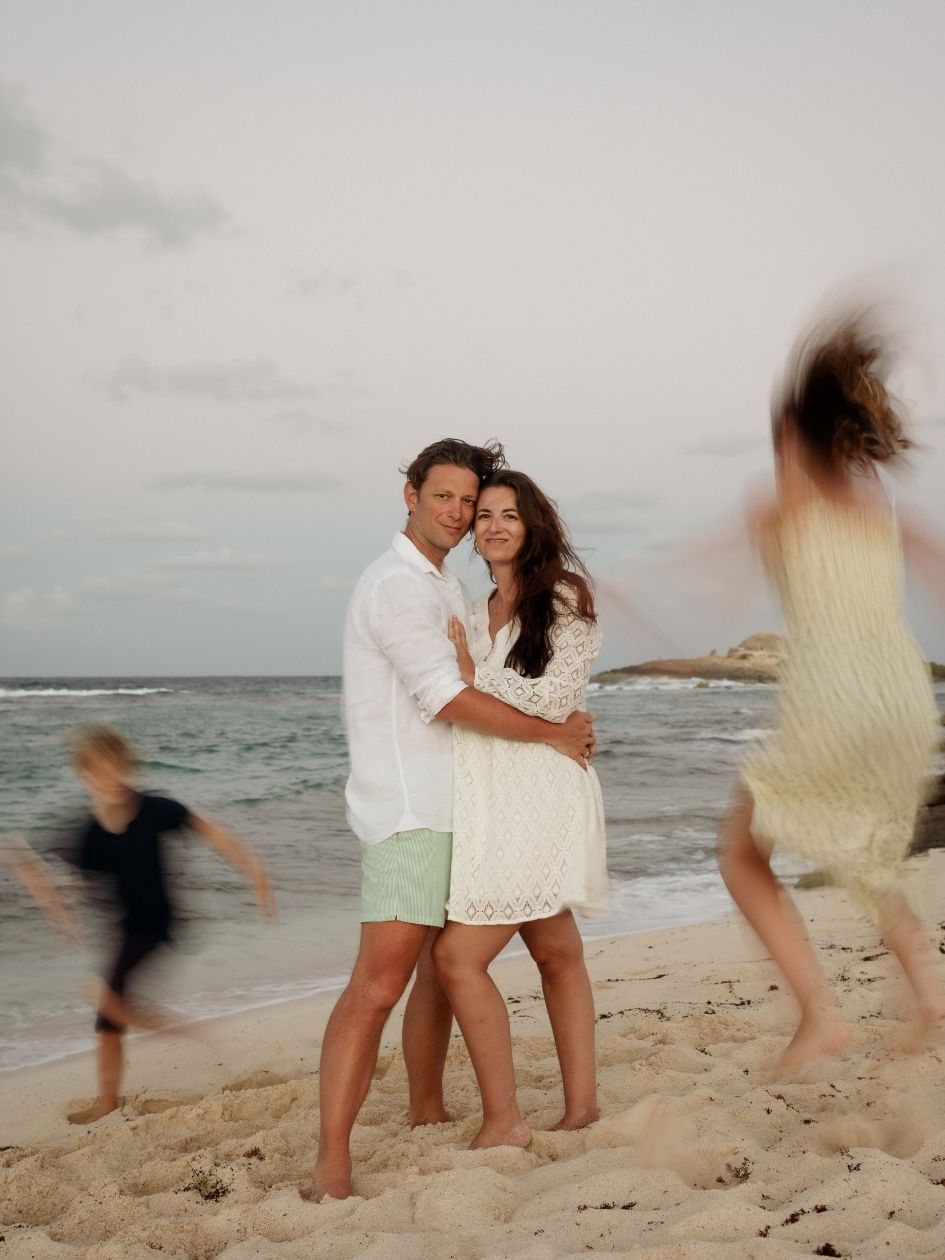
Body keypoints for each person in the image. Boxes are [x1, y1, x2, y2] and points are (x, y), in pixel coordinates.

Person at [311, 439, 597, 1201]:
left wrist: (553, 726)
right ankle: (331, 1167)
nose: (461, 513)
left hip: (469, 807)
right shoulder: (400, 588)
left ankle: (427, 1106)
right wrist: (553, 732)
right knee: (377, 985)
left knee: (440, 973)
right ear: (409, 495)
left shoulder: (444, 590)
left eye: (469, 501)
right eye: (447, 497)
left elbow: (520, 681)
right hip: (411, 811)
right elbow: (447, 696)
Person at [716, 307, 944, 1071]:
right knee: (867, 856)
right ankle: (929, 993)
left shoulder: (777, 506)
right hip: (903, 700)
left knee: (740, 852)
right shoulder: (881, 512)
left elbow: (706, 571)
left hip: (833, 700)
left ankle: (820, 1016)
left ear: (790, 438)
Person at [432, 470, 607, 1148]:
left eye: (510, 514)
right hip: (491, 796)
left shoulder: (561, 594)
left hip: (540, 791)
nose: (494, 525)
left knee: (457, 959)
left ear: (533, 526)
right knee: (556, 951)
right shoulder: (476, 611)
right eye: (485, 516)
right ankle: (581, 1107)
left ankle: (503, 1122)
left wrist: (474, 675)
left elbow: (556, 696)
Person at [5, 724, 275, 1123]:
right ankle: (110, 1100)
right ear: (85, 777)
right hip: (125, 930)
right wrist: (57, 912)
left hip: (160, 925)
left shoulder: (155, 810)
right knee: (108, 1018)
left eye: (117, 768)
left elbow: (213, 833)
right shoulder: (87, 833)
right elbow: (25, 857)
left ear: (129, 768)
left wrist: (256, 875)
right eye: (99, 772)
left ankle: (184, 1032)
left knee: (102, 995)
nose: (111, 779)